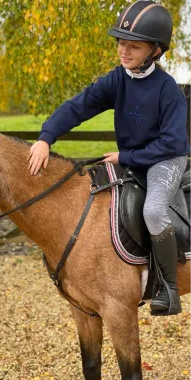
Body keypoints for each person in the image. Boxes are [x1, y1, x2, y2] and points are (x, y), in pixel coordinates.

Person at [28, 0, 190, 316]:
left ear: (155, 51)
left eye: (133, 46)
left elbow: (172, 144)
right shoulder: (117, 79)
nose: (123, 51)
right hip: (130, 158)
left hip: (166, 161)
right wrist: (46, 137)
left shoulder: (168, 90)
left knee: (155, 211)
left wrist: (125, 156)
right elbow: (77, 107)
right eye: (120, 43)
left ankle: (168, 288)